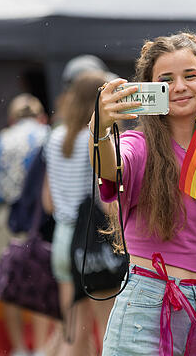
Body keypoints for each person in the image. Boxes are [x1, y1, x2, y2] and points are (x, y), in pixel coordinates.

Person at [90, 32, 196, 355]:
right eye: (166, 80)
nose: (180, 87)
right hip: (145, 306)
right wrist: (100, 128)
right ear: (150, 88)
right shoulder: (138, 145)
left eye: (190, 76)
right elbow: (108, 169)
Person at [42, 70, 118, 356]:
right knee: (107, 329)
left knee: (73, 331)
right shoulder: (95, 140)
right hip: (91, 237)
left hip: (63, 238)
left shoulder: (55, 137)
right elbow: (104, 197)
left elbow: (47, 202)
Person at [0, 94, 51, 356]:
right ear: (42, 117)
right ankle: (41, 348)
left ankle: (18, 348)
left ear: (11, 119)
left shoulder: (1, 139)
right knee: (43, 282)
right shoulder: (49, 135)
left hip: (5, 218)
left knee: (8, 284)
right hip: (40, 219)